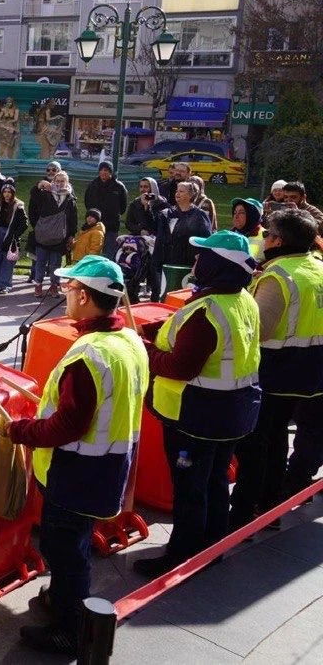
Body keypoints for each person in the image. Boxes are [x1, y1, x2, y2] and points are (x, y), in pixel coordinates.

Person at [5, 256, 148, 654]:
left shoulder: (90, 356)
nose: (66, 295)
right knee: (74, 543)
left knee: (64, 549)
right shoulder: (129, 340)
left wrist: (21, 430)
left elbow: (69, 425)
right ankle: (65, 599)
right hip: (107, 466)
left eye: (69, 289)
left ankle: (71, 627)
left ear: (84, 296)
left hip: (76, 472)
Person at [134, 231, 261, 578]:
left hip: (197, 417)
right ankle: (213, 547)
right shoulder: (241, 299)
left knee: (190, 489)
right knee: (216, 480)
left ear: (217, 265)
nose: (195, 261)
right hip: (232, 413)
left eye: (202, 256)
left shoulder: (208, 311)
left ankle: (181, 555)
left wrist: (145, 351)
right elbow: (204, 339)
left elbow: (180, 366)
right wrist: (160, 331)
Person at [230, 209, 323, 528]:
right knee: (280, 434)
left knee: (260, 445)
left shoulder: (278, 275)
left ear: (278, 240)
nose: (263, 239)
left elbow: (259, 328)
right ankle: (271, 503)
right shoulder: (317, 267)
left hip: (277, 371)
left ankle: (255, 506)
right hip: (313, 370)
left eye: (267, 234)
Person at [151, 181, 212, 300]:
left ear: (191, 195)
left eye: (181, 191)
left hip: (187, 265)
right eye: (177, 191)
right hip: (166, 263)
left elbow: (206, 241)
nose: (177, 193)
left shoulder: (199, 216)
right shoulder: (166, 214)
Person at [29, 170, 79, 297]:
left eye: (63, 181)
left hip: (59, 238)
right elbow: (33, 196)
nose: (60, 183)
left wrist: (71, 234)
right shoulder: (46, 194)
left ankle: (53, 286)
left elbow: (73, 218)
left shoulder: (70, 199)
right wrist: (39, 184)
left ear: (67, 182)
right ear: (53, 181)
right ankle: (38, 285)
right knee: (40, 262)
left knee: (55, 264)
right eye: (57, 181)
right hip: (43, 235)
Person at [0, 183, 27, 294]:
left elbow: (24, 223)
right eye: (5, 192)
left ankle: (4, 285)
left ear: (13, 193)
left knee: (7, 261)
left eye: (9, 192)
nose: (7, 194)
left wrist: (15, 235)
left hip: (10, 235)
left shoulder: (18, 206)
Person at [84, 161, 129, 250]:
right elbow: (87, 202)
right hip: (94, 224)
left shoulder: (119, 187)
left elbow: (123, 207)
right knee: (93, 251)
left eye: (106, 170)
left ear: (110, 172)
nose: (103, 172)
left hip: (111, 226)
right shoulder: (92, 185)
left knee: (109, 253)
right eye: (101, 170)